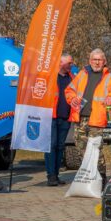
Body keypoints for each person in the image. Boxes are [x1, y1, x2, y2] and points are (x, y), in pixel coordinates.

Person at [65, 49, 111, 185]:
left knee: (96, 149)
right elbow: (69, 90)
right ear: (90, 61)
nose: (97, 62)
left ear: (104, 62)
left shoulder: (110, 78)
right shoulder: (82, 74)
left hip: (97, 120)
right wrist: (72, 98)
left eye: (99, 60)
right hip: (80, 118)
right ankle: (89, 175)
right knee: (80, 147)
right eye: (94, 59)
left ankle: (102, 178)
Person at [45, 53, 74, 186]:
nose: (71, 65)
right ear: (61, 63)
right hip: (51, 116)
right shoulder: (50, 76)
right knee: (51, 145)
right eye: (69, 63)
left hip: (66, 117)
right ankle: (51, 175)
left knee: (60, 146)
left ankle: (56, 175)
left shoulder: (72, 78)